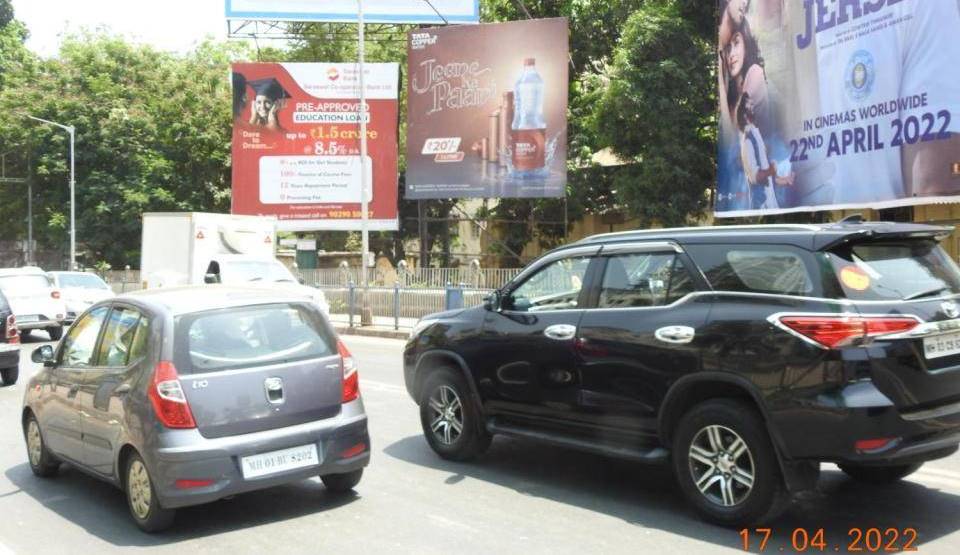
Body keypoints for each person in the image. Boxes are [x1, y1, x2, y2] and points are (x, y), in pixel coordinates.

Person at [737, 93, 793, 210]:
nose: (754, 107)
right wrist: (771, 169)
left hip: (771, 204)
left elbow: (768, 178)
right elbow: (755, 177)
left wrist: (785, 180)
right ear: (744, 113)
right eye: (750, 104)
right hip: (761, 206)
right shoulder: (747, 140)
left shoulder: (756, 135)